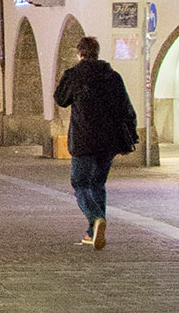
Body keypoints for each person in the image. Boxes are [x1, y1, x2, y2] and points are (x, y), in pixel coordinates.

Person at [52, 35, 138, 252]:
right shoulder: (113, 76)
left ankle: (96, 218)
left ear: (80, 54)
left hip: (84, 139)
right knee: (98, 183)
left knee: (80, 183)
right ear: (97, 53)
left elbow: (61, 99)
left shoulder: (74, 75)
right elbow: (126, 108)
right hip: (109, 141)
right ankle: (93, 232)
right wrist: (130, 135)